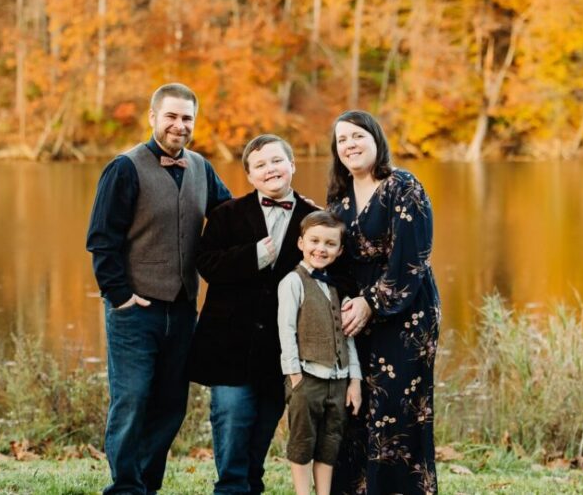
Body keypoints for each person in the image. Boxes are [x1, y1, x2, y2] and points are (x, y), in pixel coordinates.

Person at [86, 83, 232, 495]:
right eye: (171, 116)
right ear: (152, 118)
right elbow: (101, 238)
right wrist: (120, 296)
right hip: (135, 310)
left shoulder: (202, 168)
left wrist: (286, 208)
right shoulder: (125, 167)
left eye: (187, 118)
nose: (179, 125)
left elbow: (229, 217)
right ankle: (126, 488)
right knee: (132, 400)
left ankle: (146, 485)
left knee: (171, 406)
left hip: (183, 310)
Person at [186, 134, 319, 495]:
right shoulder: (226, 214)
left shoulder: (314, 219)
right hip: (228, 342)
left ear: (292, 165)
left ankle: (250, 485)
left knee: (263, 425)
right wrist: (254, 255)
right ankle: (230, 488)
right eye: (260, 165)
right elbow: (206, 264)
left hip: (281, 348)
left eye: (277, 161)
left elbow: (328, 277)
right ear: (249, 175)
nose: (270, 169)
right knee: (231, 419)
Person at [326, 110, 441, 495]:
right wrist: (344, 306)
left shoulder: (403, 186)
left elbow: (413, 257)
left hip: (405, 314)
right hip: (356, 318)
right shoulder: (339, 202)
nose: (350, 145)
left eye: (357, 136)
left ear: (376, 140)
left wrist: (371, 302)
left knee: (397, 412)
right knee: (354, 410)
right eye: (342, 140)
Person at [278, 211, 362, 495]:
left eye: (329, 244)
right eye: (314, 241)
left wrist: (355, 381)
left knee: (330, 441)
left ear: (339, 251)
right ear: (301, 243)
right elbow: (286, 331)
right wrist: (294, 376)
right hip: (307, 377)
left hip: (338, 381)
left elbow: (346, 335)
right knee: (303, 441)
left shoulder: (338, 288)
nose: (321, 249)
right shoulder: (293, 282)